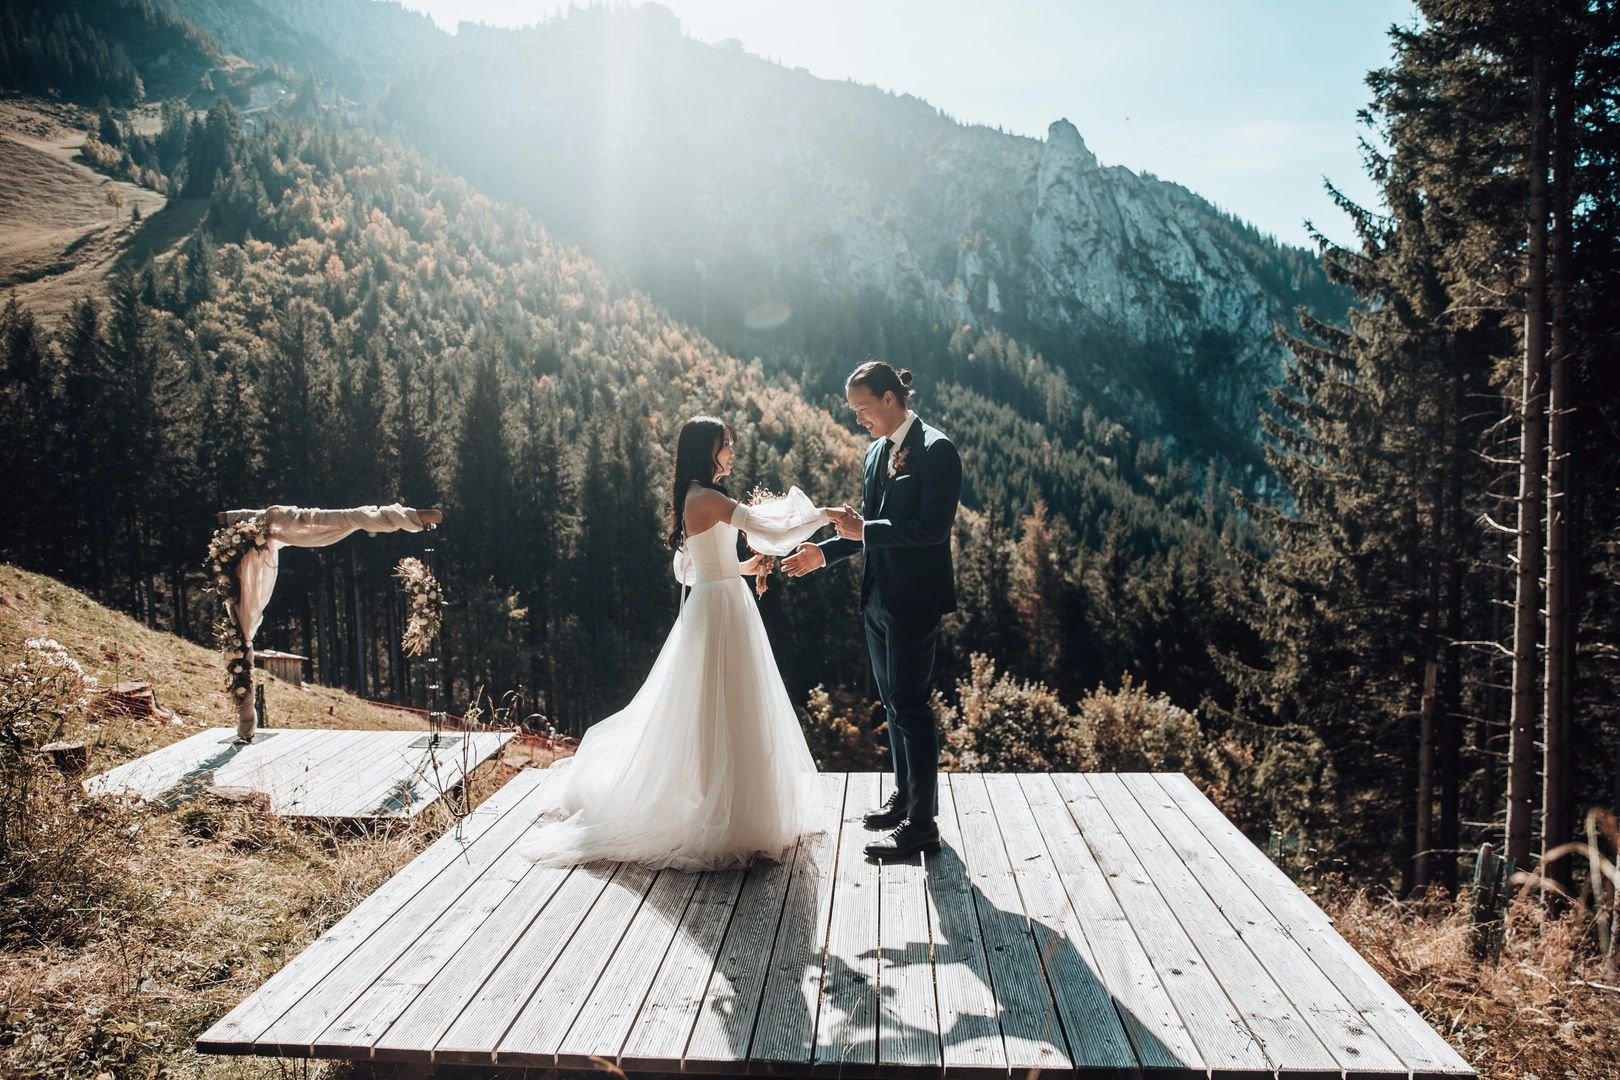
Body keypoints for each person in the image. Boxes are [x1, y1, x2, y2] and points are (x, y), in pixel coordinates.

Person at [521, 416, 832, 870]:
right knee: (725, 709)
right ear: (708, 448)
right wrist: (826, 517)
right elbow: (774, 530)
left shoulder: (697, 496)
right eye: (727, 445)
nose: (732, 452)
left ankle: (737, 815)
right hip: (722, 613)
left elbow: (699, 567)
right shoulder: (706, 497)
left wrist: (750, 567)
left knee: (729, 708)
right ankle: (734, 819)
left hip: (721, 603)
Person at [783, 361, 962, 859]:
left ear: (890, 398)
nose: (859, 419)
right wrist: (822, 553)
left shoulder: (937, 450)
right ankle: (906, 799)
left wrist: (866, 532)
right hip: (878, 599)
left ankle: (923, 826)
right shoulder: (873, 454)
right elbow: (867, 529)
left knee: (912, 708)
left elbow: (932, 529)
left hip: (915, 600)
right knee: (892, 705)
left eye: (863, 409)